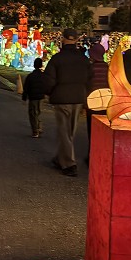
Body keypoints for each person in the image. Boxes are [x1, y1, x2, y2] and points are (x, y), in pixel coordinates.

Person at [44, 28, 91, 177]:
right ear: (76, 40)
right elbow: (90, 79)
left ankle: (69, 164)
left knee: (64, 131)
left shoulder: (57, 59)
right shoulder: (84, 60)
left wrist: (49, 92)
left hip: (62, 97)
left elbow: (49, 79)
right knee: (70, 131)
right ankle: (60, 158)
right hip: (78, 97)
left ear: (63, 39)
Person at [85, 42, 110, 158]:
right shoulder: (108, 68)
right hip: (106, 103)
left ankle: (92, 155)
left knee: (92, 130)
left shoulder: (90, 68)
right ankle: (103, 154)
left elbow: (87, 84)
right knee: (104, 130)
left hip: (92, 102)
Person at [22, 57, 50, 138]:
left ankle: (35, 131)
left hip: (33, 97)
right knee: (39, 112)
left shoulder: (30, 76)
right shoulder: (44, 76)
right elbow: (47, 86)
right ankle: (39, 127)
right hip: (41, 97)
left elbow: (26, 87)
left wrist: (24, 98)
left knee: (33, 114)